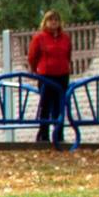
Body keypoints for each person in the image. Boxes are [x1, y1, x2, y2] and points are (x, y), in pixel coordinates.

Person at [28, 9, 72, 148]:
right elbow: (32, 57)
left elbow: (68, 54)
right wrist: (37, 70)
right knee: (45, 105)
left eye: (56, 20)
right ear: (45, 22)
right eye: (51, 20)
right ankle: (44, 135)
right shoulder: (39, 38)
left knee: (59, 106)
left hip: (62, 75)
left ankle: (59, 134)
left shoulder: (65, 38)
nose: (53, 23)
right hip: (46, 75)